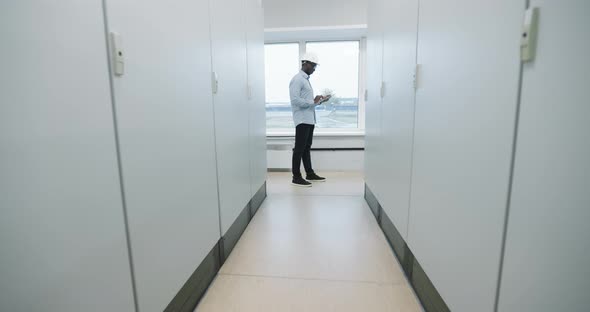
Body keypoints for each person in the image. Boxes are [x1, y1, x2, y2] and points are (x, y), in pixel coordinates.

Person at [289, 53, 330, 187]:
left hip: (309, 120)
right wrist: (312, 102)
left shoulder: (305, 80)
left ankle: (310, 173)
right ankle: (296, 177)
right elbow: (295, 100)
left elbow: (308, 102)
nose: (314, 69)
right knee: (299, 149)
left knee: (306, 148)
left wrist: (319, 101)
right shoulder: (297, 79)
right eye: (313, 66)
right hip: (302, 120)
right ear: (306, 64)